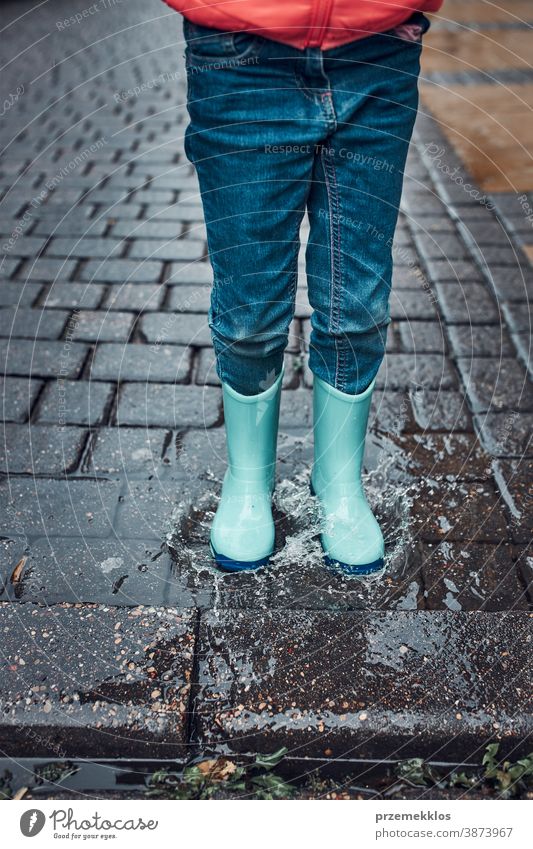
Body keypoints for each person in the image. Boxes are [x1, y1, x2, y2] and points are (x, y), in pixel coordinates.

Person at [164, 0, 442, 575]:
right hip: (240, 55)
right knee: (249, 310)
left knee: (357, 302)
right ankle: (248, 481)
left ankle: (338, 482)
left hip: (379, 49)